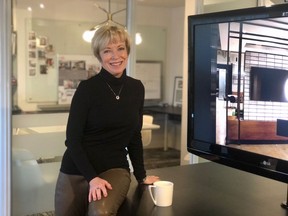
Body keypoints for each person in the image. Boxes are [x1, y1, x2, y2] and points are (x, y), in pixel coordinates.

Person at [54, 25, 160, 216]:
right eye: (107, 51)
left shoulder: (136, 88)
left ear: (127, 51)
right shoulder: (87, 89)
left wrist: (141, 175)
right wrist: (92, 178)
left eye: (120, 48)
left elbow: (135, 136)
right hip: (76, 169)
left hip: (114, 168)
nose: (115, 56)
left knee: (99, 213)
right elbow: (73, 140)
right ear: (99, 56)